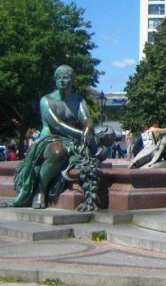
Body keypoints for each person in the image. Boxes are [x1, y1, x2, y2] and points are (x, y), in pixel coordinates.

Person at [1, 65, 101, 209]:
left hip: (72, 141)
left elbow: (87, 120)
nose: (61, 81)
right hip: (49, 140)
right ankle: (40, 189)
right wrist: (81, 134)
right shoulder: (46, 100)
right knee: (57, 152)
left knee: (98, 153)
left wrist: (88, 130)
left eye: (65, 77)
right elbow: (57, 125)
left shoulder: (78, 101)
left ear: (72, 80)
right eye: (58, 78)